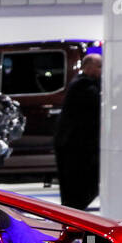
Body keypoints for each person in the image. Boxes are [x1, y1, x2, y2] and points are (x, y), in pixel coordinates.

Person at [54, 52, 102, 209]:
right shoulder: (83, 86)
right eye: (99, 67)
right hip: (74, 147)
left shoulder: (82, 84)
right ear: (88, 67)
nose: (102, 71)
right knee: (77, 185)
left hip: (76, 145)